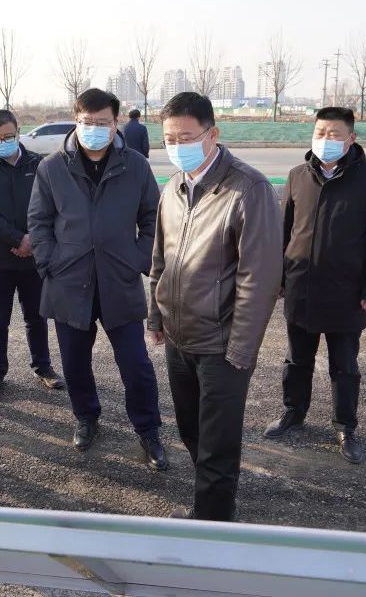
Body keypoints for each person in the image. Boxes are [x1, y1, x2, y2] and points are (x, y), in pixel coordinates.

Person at [148, 92, 283, 521]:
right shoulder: (173, 188)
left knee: (217, 445)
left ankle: (212, 525)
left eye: (186, 137)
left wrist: (241, 349)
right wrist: (156, 316)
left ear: (213, 134)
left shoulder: (248, 189)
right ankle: (212, 502)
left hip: (222, 345)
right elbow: (161, 258)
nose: (177, 146)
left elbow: (259, 279)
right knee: (191, 430)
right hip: (178, 338)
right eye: (169, 139)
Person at [28, 88, 168, 470]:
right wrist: (50, 263)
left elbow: (153, 219)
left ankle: (148, 430)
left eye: (102, 122)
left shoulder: (135, 165)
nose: (93, 129)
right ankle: (86, 417)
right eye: (86, 122)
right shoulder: (52, 168)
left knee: (136, 365)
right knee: (74, 363)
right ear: (76, 120)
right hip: (68, 283)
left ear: (115, 122)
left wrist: (137, 259)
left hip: (118, 281)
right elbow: (38, 222)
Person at [264, 107, 366, 464]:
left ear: (351, 138)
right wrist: (279, 280)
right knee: (297, 359)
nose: (325, 140)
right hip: (301, 288)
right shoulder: (297, 176)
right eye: (320, 133)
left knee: (344, 365)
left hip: (347, 293)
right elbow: (283, 232)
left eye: (334, 134)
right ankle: (293, 413)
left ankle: (345, 426)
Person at [0, 110, 65, 399]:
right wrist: (16, 239)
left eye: (8, 136)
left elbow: (50, 207)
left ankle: (43, 367)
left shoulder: (39, 164)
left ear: (18, 132)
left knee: (36, 316)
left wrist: (32, 241)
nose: (3, 142)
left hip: (34, 255)